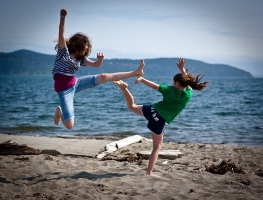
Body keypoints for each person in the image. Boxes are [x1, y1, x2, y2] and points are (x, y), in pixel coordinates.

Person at [113, 58, 208, 176]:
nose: (172, 83)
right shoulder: (188, 94)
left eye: (174, 82)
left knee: (132, 106)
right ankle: (149, 172)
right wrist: (182, 69)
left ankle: (124, 88)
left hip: (152, 110)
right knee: (157, 147)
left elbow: (154, 86)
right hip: (159, 119)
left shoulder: (169, 90)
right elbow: (188, 82)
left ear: (177, 83)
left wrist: (142, 79)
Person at [52, 9, 144, 129]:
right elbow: (61, 34)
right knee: (69, 125)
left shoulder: (80, 59)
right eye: (86, 45)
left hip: (75, 83)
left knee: (104, 76)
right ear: (79, 43)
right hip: (64, 90)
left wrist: (100, 59)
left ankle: (135, 72)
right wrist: (62, 17)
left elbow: (96, 65)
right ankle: (59, 111)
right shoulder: (63, 52)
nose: (87, 47)